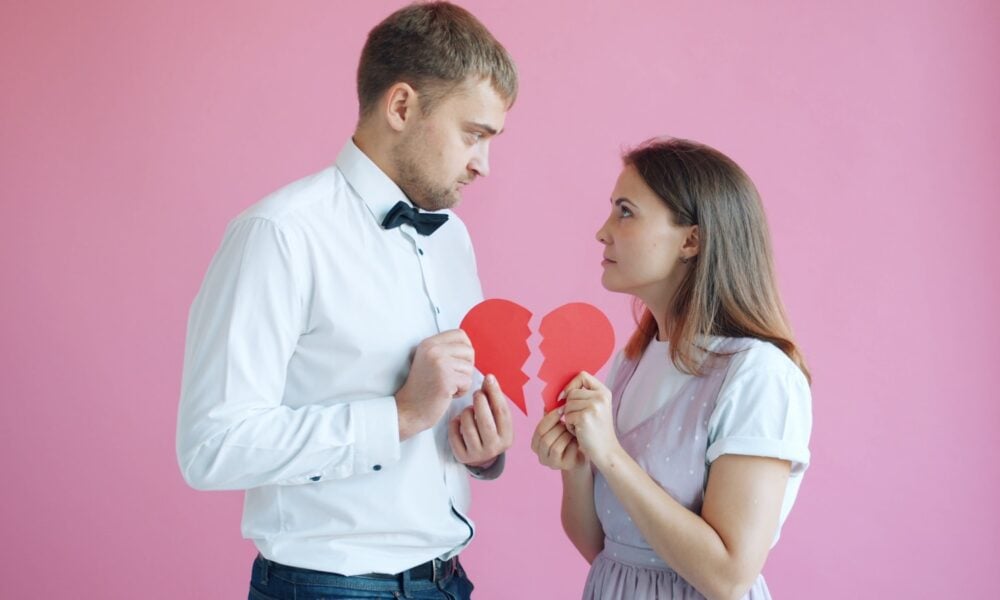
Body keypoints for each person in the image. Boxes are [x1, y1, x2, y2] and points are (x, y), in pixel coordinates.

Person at [176, 3, 518, 599]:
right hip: (327, 587)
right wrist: (398, 416)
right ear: (403, 107)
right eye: (473, 134)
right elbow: (212, 447)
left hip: (449, 579)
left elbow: (438, 423)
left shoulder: (452, 238)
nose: (483, 165)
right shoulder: (280, 235)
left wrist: (480, 451)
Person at [531, 138, 813, 600]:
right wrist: (577, 466)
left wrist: (610, 456)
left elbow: (728, 576)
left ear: (691, 240)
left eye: (625, 211)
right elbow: (605, 549)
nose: (603, 232)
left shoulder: (758, 375)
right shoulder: (629, 364)